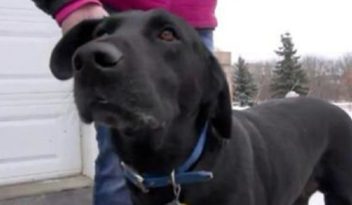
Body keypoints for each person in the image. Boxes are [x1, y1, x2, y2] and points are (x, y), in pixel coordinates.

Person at [31, 1, 218, 204]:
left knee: (212, 159)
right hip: (115, 14)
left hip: (194, 24)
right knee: (120, 170)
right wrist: (72, 5)